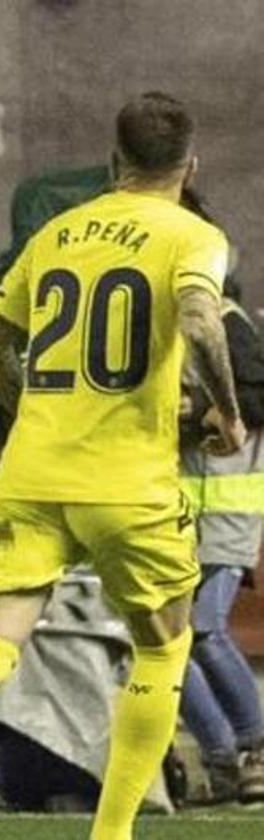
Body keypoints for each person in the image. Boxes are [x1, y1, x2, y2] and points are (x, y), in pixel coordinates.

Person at [0, 91, 245, 840]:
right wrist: (228, 413)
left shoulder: (58, 232)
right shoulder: (192, 235)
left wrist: (33, 411)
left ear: (114, 163)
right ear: (189, 166)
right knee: (163, 646)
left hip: (33, 474)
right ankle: (110, 835)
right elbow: (203, 319)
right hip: (128, 485)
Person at [178, 281, 264, 803]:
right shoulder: (162, 327)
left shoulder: (229, 324)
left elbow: (257, 397)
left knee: (204, 628)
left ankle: (255, 746)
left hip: (228, 512)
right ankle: (220, 760)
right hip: (178, 513)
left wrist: (200, 409)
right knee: (166, 643)